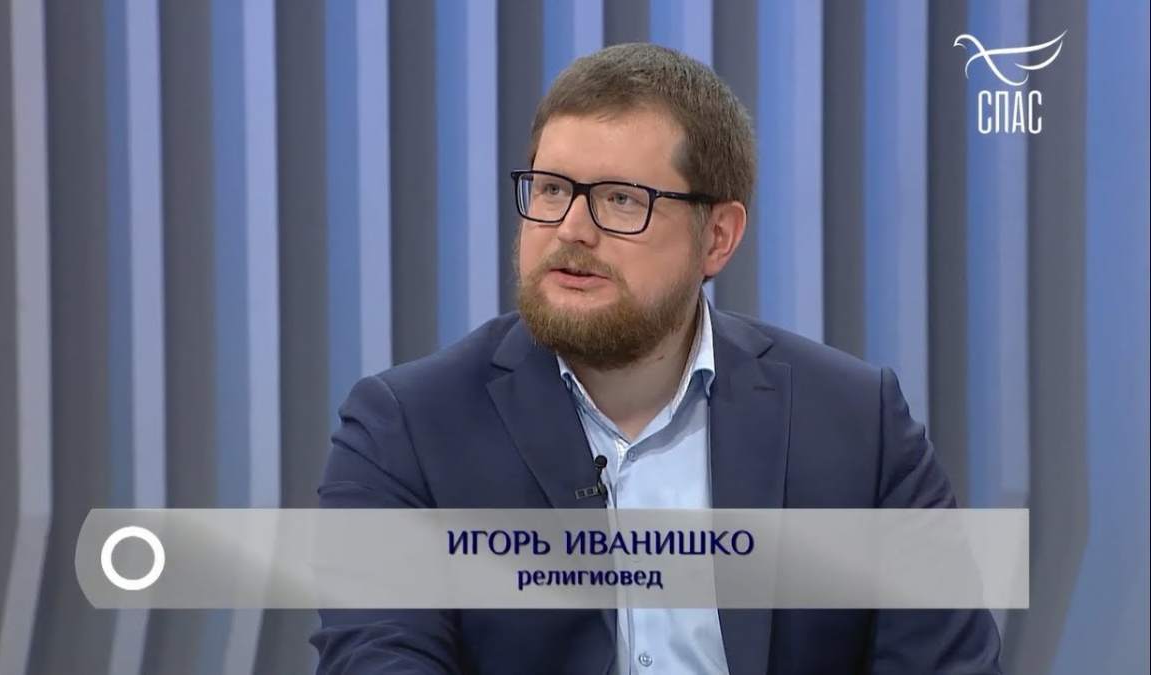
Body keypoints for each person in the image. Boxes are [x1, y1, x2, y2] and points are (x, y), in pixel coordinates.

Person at [311, 43, 1001, 675]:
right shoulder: (405, 430)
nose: (571, 230)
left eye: (620, 200)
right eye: (551, 190)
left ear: (718, 237)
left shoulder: (858, 426)